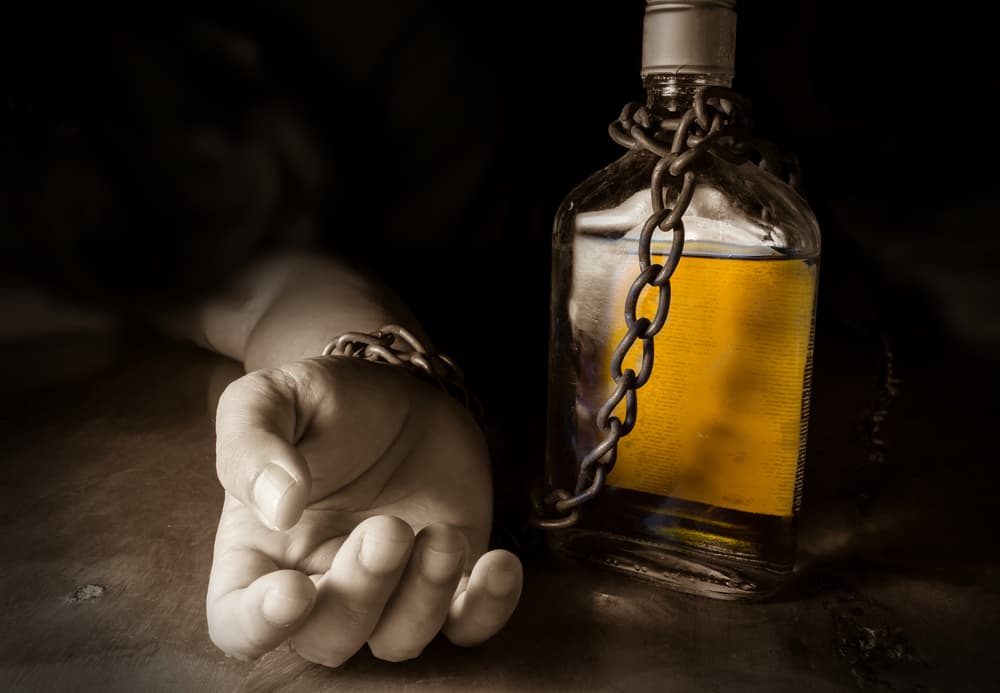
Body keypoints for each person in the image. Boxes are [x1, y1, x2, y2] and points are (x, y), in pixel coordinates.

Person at [1, 0, 532, 667]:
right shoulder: (129, 225)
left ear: (231, 53)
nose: (263, 199)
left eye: (211, 164)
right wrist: (360, 356)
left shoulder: (402, 56)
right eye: (204, 222)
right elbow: (260, 285)